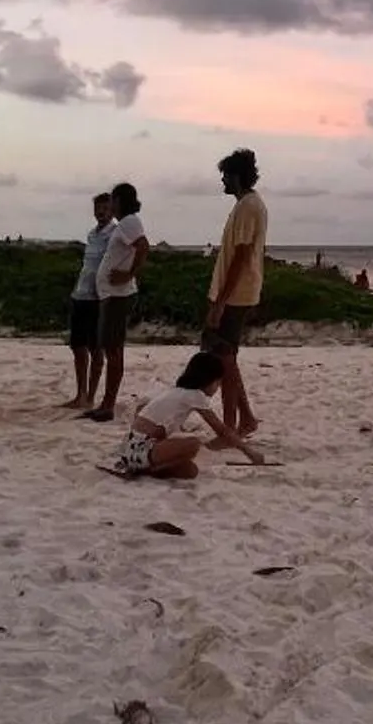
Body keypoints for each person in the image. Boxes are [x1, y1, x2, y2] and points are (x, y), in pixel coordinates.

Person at [113, 351, 264, 481]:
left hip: (131, 448)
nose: (217, 387)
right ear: (208, 379)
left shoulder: (178, 391)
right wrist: (249, 452)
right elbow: (222, 430)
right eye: (218, 383)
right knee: (194, 444)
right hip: (140, 448)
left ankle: (144, 470)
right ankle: (140, 467)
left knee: (190, 471)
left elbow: (141, 410)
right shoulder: (194, 395)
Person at [204, 148, 267, 441]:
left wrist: (220, 302)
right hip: (234, 293)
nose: (223, 182)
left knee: (224, 358)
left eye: (225, 177)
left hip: (236, 295)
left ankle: (230, 428)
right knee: (226, 358)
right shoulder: (245, 205)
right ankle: (247, 419)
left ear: (236, 176)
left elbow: (241, 257)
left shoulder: (248, 207)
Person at [84, 181, 149, 423]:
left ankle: (108, 405)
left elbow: (143, 247)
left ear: (120, 201)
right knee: (111, 348)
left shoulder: (129, 222)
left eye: (112, 200)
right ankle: (105, 403)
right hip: (111, 295)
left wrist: (128, 273)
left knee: (113, 350)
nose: (108, 205)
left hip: (117, 296)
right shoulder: (125, 224)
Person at [67, 191, 113, 410]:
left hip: (98, 298)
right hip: (81, 294)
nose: (101, 213)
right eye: (98, 209)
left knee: (97, 348)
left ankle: (91, 396)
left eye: (105, 208)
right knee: (78, 346)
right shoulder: (92, 235)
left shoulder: (114, 233)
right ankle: (80, 394)